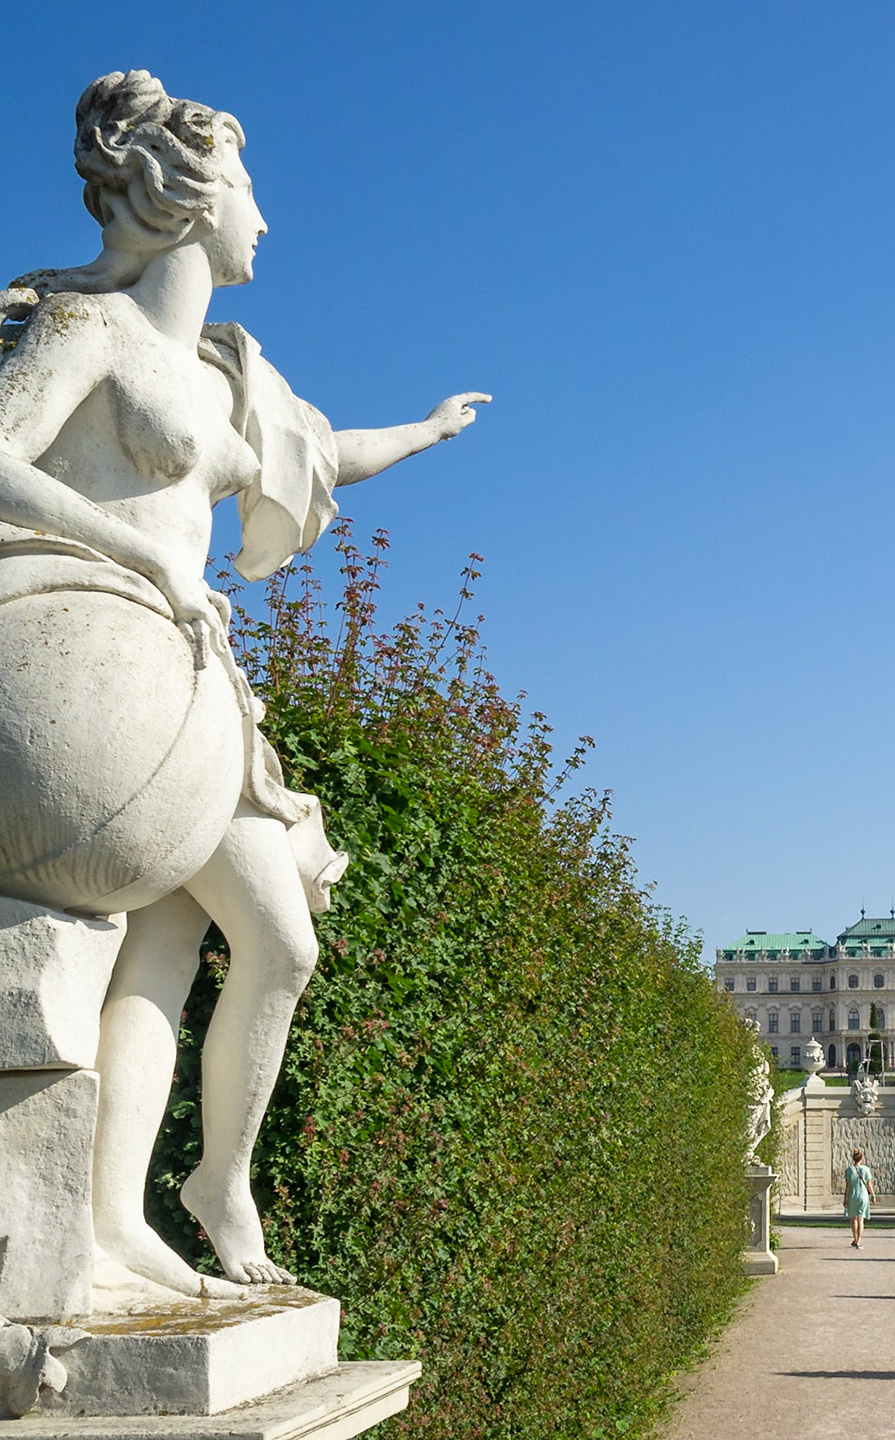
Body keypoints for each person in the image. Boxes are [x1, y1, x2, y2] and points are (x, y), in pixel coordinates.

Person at [0, 72, 485, 1294]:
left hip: (191, 694)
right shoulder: (86, 330)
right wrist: (143, 553)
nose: (264, 218)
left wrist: (425, 433)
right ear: (189, 197)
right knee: (164, 930)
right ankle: (110, 1227)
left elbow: (322, 456)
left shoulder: (228, 379)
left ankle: (207, 1182)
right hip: (103, 667)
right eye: (253, 191)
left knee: (280, 940)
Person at [844, 1147, 874, 1248]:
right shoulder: (866, 1169)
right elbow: (869, 1185)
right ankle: (859, 1240)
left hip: (853, 1195)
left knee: (854, 1219)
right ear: (861, 1159)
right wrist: (873, 1194)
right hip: (863, 1195)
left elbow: (847, 1187)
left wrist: (845, 1198)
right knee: (861, 1218)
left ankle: (855, 1238)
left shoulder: (849, 1170)